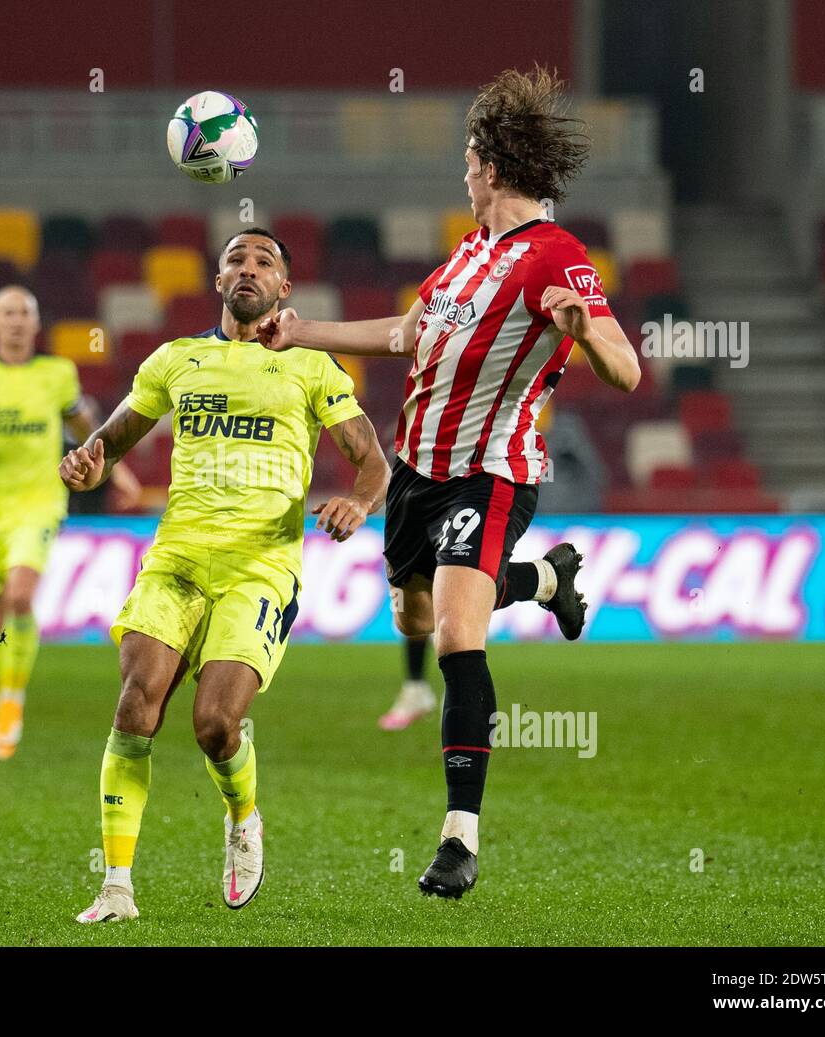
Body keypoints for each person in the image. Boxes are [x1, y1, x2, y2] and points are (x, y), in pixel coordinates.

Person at [257, 68, 640, 898]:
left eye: (469, 163)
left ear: (492, 170)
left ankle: (460, 837)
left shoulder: (557, 257)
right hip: (414, 472)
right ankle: (544, 580)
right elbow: (404, 332)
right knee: (415, 611)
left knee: (457, 637)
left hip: (490, 472)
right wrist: (302, 332)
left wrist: (590, 337)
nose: (463, 176)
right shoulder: (469, 255)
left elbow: (627, 369)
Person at [60, 228, 389, 923]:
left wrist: (357, 503)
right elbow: (116, 434)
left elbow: (373, 462)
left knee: (214, 724)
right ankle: (117, 884)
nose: (248, 268)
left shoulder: (312, 366)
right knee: (134, 706)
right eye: (235, 259)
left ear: (284, 289)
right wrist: (90, 457)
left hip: (260, 567)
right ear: (217, 281)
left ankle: (243, 816)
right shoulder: (177, 359)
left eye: (264, 260)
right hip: (177, 559)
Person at [0, 286, 140, 760]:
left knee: (21, 596)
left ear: (35, 324)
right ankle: (2, 669)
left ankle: (10, 701)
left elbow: (86, 427)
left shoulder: (56, 374)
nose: (17, 321)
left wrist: (116, 469)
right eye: (8, 313)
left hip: (40, 503)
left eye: (25, 313)